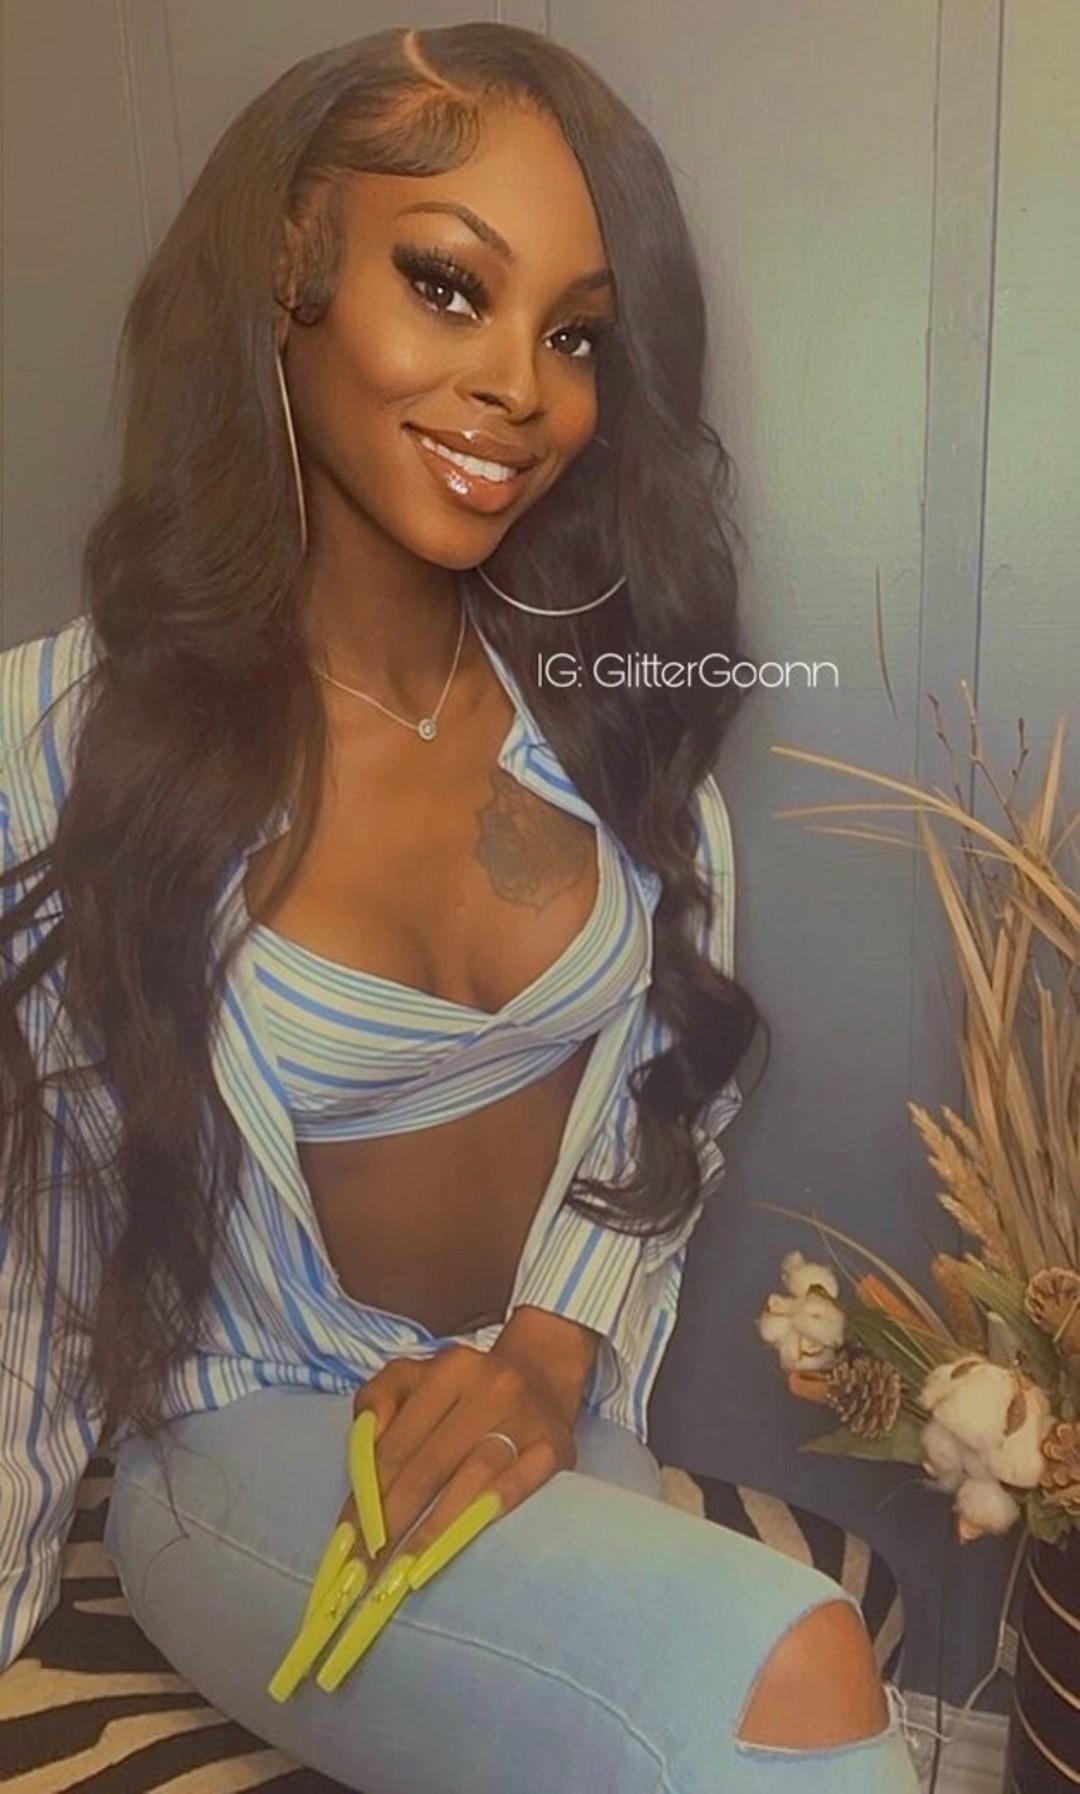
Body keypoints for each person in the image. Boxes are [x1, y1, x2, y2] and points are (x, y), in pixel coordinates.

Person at [0, 21, 919, 1792]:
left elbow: (665, 1085)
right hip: (256, 1450)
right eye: (447, 285)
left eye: (575, 334)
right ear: (284, 275)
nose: (521, 387)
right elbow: (25, 1248)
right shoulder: (61, 747)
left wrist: (551, 1352)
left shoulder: (611, 728)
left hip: (541, 1414)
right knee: (791, 1675)